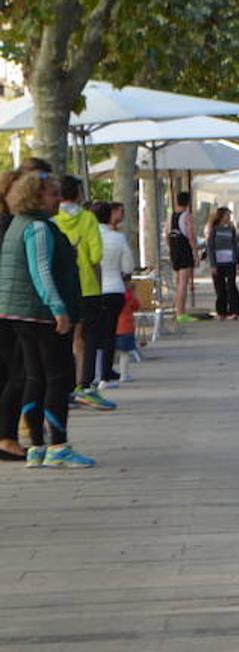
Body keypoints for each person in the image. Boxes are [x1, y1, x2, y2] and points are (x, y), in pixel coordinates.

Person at [0, 168, 94, 468]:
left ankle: (38, 448)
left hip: (18, 312)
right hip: (40, 314)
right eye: (53, 195)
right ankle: (58, 444)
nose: (58, 200)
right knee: (57, 377)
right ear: (37, 197)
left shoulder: (18, 224)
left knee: (34, 377)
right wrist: (59, 309)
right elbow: (40, 271)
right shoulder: (39, 228)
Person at [53, 176, 113, 410]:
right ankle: (84, 385)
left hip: (61, 288)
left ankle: (65, 387)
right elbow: (96, 255)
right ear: (78, 193)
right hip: (87, 286)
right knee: (86, 339)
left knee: (65, 338)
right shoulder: (87, 219)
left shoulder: (53, 220)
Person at [0, 167, 30, 460]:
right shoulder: (13, 226)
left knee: (9, 372)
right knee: (18, 373)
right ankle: (7, 436)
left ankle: (7, 435)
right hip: (10, 309)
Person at [92, 202, 134, 388]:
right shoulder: (118, 238)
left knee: (92, 334)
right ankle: (105, 375)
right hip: (115, 288)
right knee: (110, 333)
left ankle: (91, 373)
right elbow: (128, 266)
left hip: (93, 290)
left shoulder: (89, 237)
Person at [205, 206, 239, 319]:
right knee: (220, 287)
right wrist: (212, 264)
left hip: (230, 261)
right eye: (227, 215)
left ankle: (234, 310)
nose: (229, 217)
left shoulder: (231, 229)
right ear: (221, 216)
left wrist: (238, 261)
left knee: (231, 285)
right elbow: (210, 247)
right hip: (218, 262)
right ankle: (222, 311)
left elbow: (235, 245)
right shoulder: (214, 230)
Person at [167, 191, 199, 322]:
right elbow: (191, 235)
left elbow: (166, 235)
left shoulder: (171, 217)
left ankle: (177, 309)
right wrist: (195, 251)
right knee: (183, 283)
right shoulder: (187, 216)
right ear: (188, 203)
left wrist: (171, 249)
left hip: (174, 248)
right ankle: (180, 312)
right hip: (184, 248)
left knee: (178, 281)